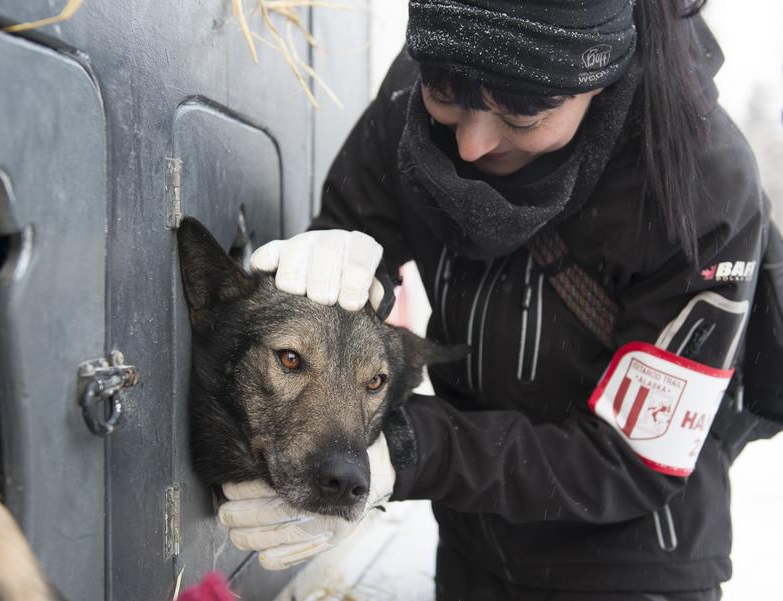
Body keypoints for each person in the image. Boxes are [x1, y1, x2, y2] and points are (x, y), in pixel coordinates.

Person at [216, 1, 778, 599]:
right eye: (445, 93)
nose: (471, 145)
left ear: (601, 78)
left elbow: (629, 457)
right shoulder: (428, 83)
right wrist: (342, 265)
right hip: (470, 548)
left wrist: (409, 451)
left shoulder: (701, 184)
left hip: (630, 565)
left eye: (523, 113)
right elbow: (352, 242)